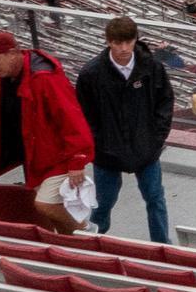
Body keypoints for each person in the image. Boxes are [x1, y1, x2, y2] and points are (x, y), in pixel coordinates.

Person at [0, 31, 94, 232]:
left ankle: (89, 234)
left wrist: (78, 160)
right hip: (36, 157)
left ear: (12, 53)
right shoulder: (4, 76)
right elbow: (10, 112)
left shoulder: (44, 77)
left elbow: (72, 119)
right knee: (56, 220)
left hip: (59, 156)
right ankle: (74, 249)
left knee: (45, 205)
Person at [74, 16, 175, 243]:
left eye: (127, 42)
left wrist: (155, 139)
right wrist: (99, 144)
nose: (123, 48)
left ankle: (162, 247)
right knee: (104, 202)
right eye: (118, 43)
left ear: (135, 40)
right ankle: (93, 241)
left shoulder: (151, 67)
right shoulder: (91, 74)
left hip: (145, 148)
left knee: (155, 198)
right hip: (107, 152)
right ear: (108, 42)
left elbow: (165, 103)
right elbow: (83, 115)